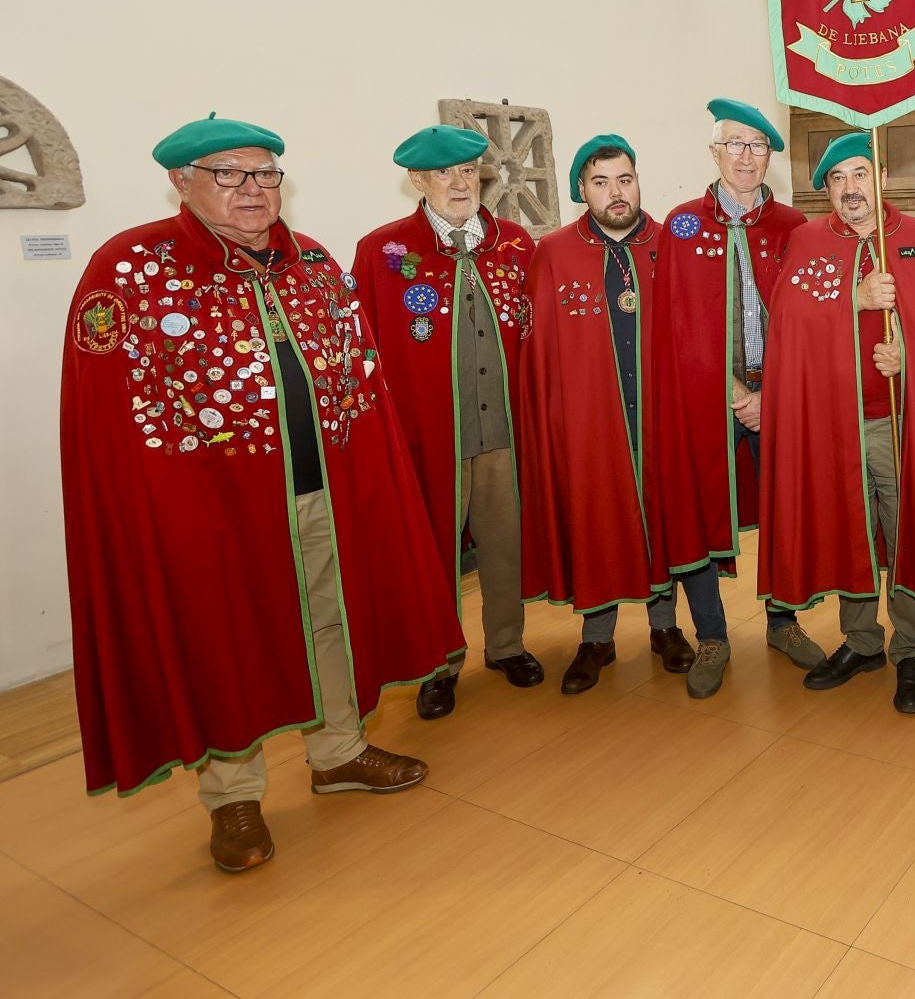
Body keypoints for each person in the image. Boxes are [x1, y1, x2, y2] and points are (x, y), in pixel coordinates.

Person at [61, 115, 460, 873]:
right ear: (182, 182)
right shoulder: (131, 271)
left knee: (330, 617)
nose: (253, 189)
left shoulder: (310, 263)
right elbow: (112, 420)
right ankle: (234, 797)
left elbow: (361, 381)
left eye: (266, 174)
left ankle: (338, 752)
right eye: (230, 174)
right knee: (225, 639)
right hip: (208, 511)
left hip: (325, 489)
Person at [758, 132, 915, 714]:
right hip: (832, 424)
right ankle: (861, 641)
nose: (850, 189)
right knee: (848, 530)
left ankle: (910, 650)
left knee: (907, 529)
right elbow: (787, 325)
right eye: (837, 180)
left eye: (860, 174)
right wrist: (851, 301)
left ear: (880, 177)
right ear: (826, 190)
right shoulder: (806, 242)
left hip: (898, 424)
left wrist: (908, 351)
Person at [352, 125, 543, 721]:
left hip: (505, 432)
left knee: (504, 544)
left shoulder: (514, 243)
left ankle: (507, 645)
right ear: (418, 180)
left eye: (469, 171)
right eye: (445, 173)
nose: (461, 183)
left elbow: (535, 334)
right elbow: (366, 347)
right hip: (430, 436)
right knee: (432, 551)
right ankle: (441, 662)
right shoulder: (381, 251)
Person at [518, 137, 707, 694]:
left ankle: (665, 627)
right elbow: (541, 351)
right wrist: (556, 423)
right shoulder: (553, 252)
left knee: (660, 515)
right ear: (583, 189)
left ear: (638, 180)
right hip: (590, 419)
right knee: (595, 516)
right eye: (600, 182)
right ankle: (596, 637)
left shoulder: (668, 244)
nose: (615, 192)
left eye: (624, 179)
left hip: (659, 413)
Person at [653, 98, 823, 684]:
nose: (746, 156)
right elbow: (672, 322)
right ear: (714, 152)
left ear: (770, 157)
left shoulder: (795, 229)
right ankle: (713, 636)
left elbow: (812, 318)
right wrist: (731, 390)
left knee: (785, 504)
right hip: (707, 395)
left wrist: (772, 390)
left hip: (782, 391)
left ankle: (783, 620)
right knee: (699, 505)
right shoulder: (679, 225)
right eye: (735, 144)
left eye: (757, 146)